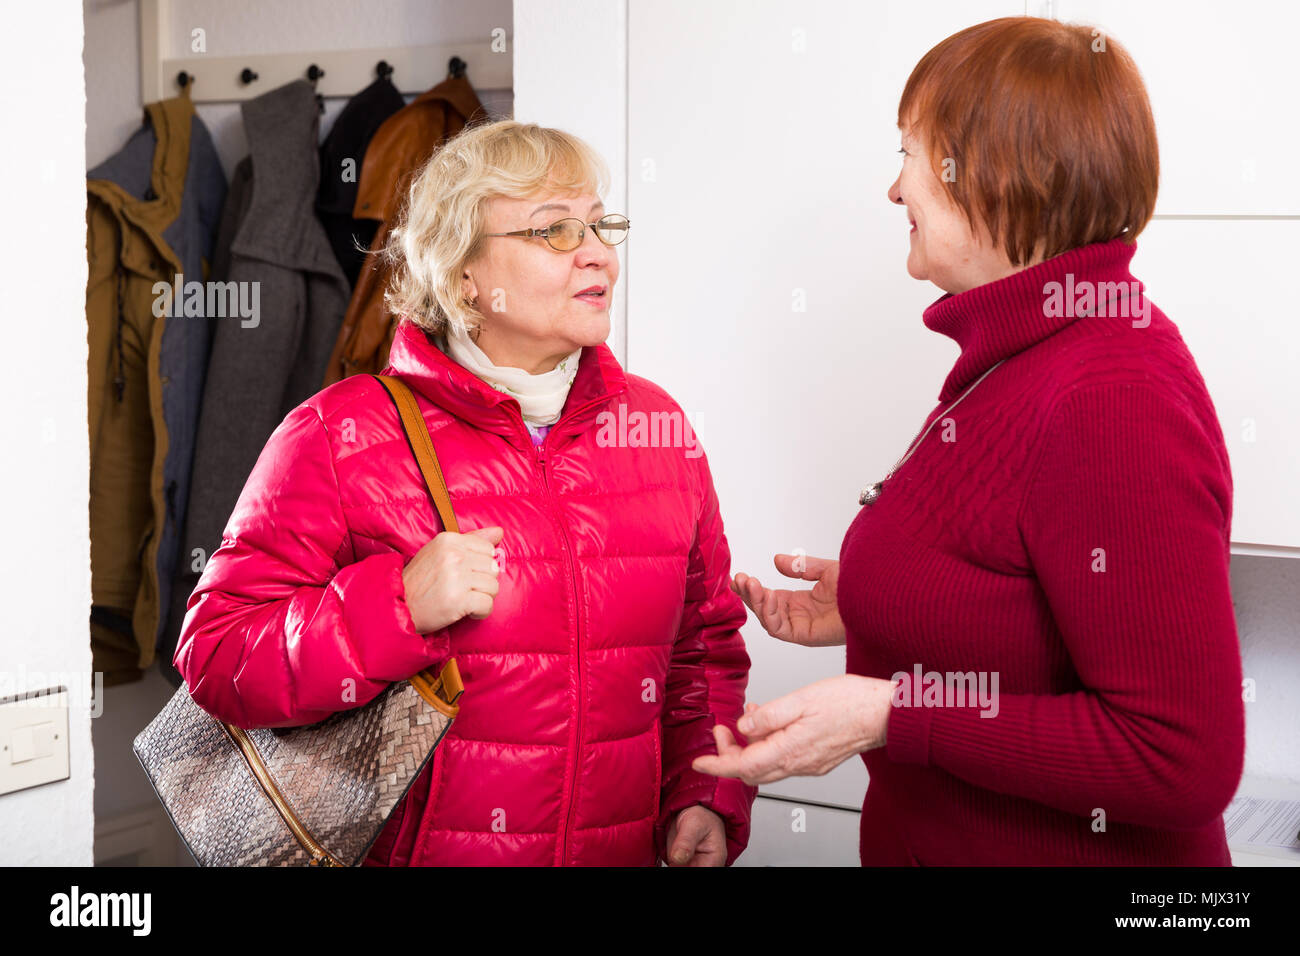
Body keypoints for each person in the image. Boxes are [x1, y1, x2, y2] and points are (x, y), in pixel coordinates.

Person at [695, 16, 1245, 865]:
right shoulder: (1027, 352)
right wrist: (882, 601)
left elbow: (1177, 757)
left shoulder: (1111, 396)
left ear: (992, 171)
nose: (893, 189)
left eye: (908, 152)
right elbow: (1020, 593)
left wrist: (891, 711)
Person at [173, 120, 757, 866]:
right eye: (553, 231)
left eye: (600, 223)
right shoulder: (338, 433)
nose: (597, 252)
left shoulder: (656, 428)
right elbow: (216, 658)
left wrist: (704, 792)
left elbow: (703, 651)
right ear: (462, 276)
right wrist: (395, 606)